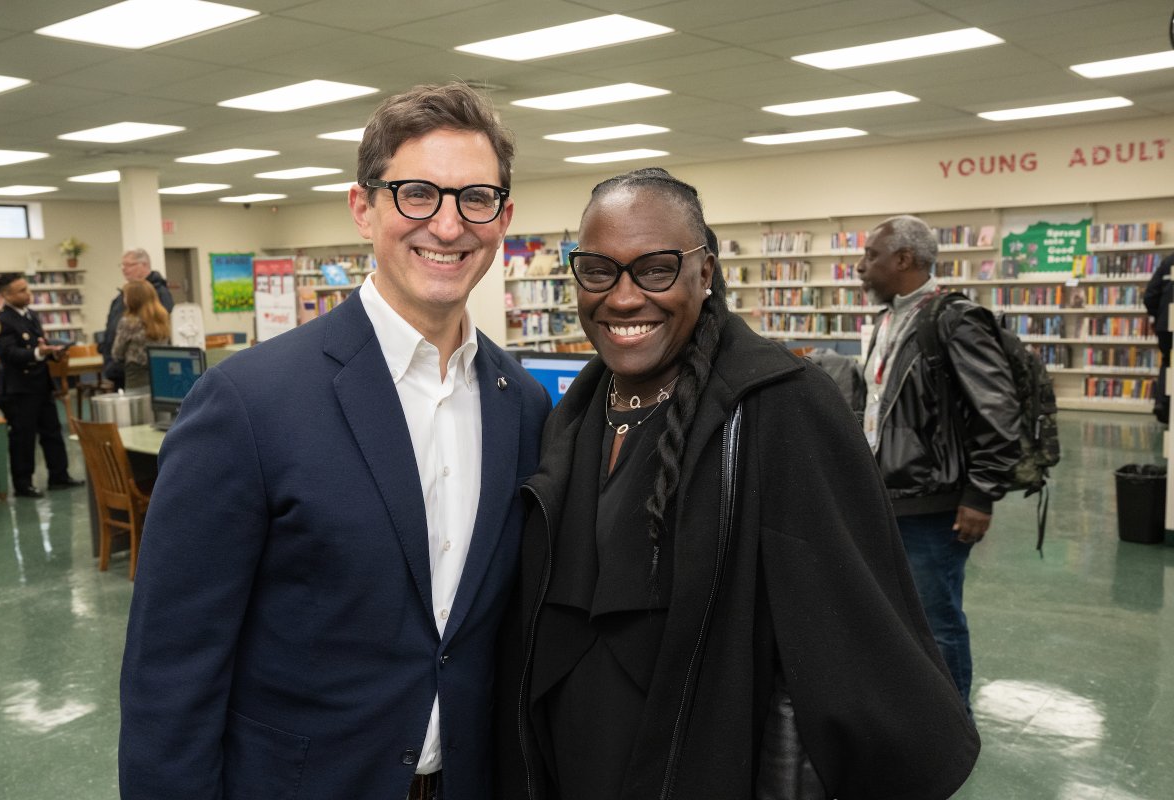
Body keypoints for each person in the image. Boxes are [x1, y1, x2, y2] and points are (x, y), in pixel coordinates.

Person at [119, 83, 550, 800]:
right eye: (417, 194)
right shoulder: (249, 404)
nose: (448, 226)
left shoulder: (523, 406)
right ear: (363, 207)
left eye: (475, 198)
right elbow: (172, 672)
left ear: (502, 218)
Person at [496, 170, 979, 800]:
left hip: (697, 764)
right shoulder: (570, 413)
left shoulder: (784, 407)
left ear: (705, 273)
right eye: (598, 269)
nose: (621, 297)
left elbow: (851, 630)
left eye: (656, 268)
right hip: (571, 763)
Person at [857, 214, 1021, 714]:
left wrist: (981, 493)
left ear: (904, 259)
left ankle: (951, 725)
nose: (861, 268)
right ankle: (911, 714)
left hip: (934, 503)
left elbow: (997, 407)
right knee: (894, 616)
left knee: (935, 619)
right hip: (890, 495)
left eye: (871, 257)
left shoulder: (955, 317)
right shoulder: (890, 319)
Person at [0, 273, 84, 498]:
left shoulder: (31, 315)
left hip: (41, 383)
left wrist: (51, 354)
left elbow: (37, 346)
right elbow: (9, 353)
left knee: (52, 431)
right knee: (23, 437)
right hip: (18, 388)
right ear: (6, 295)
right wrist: (38, 352)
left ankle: (59, 475)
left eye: (27, 288)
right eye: (21, 291)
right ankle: (23, 483)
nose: (27, 293)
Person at [100, 248, 173, 388]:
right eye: (122, 265)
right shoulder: (120, 297)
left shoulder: (159, 293)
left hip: (140, 368)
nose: (124, 269)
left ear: (144, 265)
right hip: (120, 369)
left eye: (128, 265)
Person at [110, 280, 171, 391]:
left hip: (136, 378)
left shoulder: (128, 323)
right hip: (160, 376)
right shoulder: (163, 319)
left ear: (133, 299)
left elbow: (117, 353)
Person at [1143, 252, 1173, 423]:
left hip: (1165, 324)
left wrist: (1158, 315)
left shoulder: (1167, 262)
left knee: (1168, 361)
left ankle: (1163, 404)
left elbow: (1149, 296)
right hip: (1166, 322)